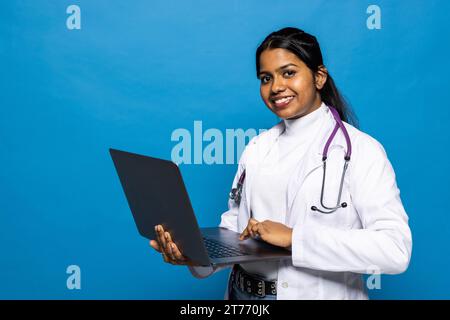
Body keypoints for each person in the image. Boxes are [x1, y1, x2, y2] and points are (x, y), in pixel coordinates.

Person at [149, 27, 412, 300]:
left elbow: (395, 250)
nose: (275, 87)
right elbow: (236, 225)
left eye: (289, 73)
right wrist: (195, 256)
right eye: (266, 78)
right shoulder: (257, 148)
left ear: (319, 77)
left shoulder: (361, 151)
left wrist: (294, 238)